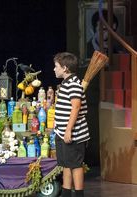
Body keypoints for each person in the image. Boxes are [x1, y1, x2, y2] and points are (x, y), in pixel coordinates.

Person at [53, 52, 90, 197]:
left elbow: (76, 107)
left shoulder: (74, 84)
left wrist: (68, 130)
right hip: (62, 133)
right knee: (67, 164)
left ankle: (79, 194)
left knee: (75, 165)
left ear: (65, 68)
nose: (54, 69)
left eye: (56, 66)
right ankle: (66, 193)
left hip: (73, 134)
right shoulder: (66, 83)